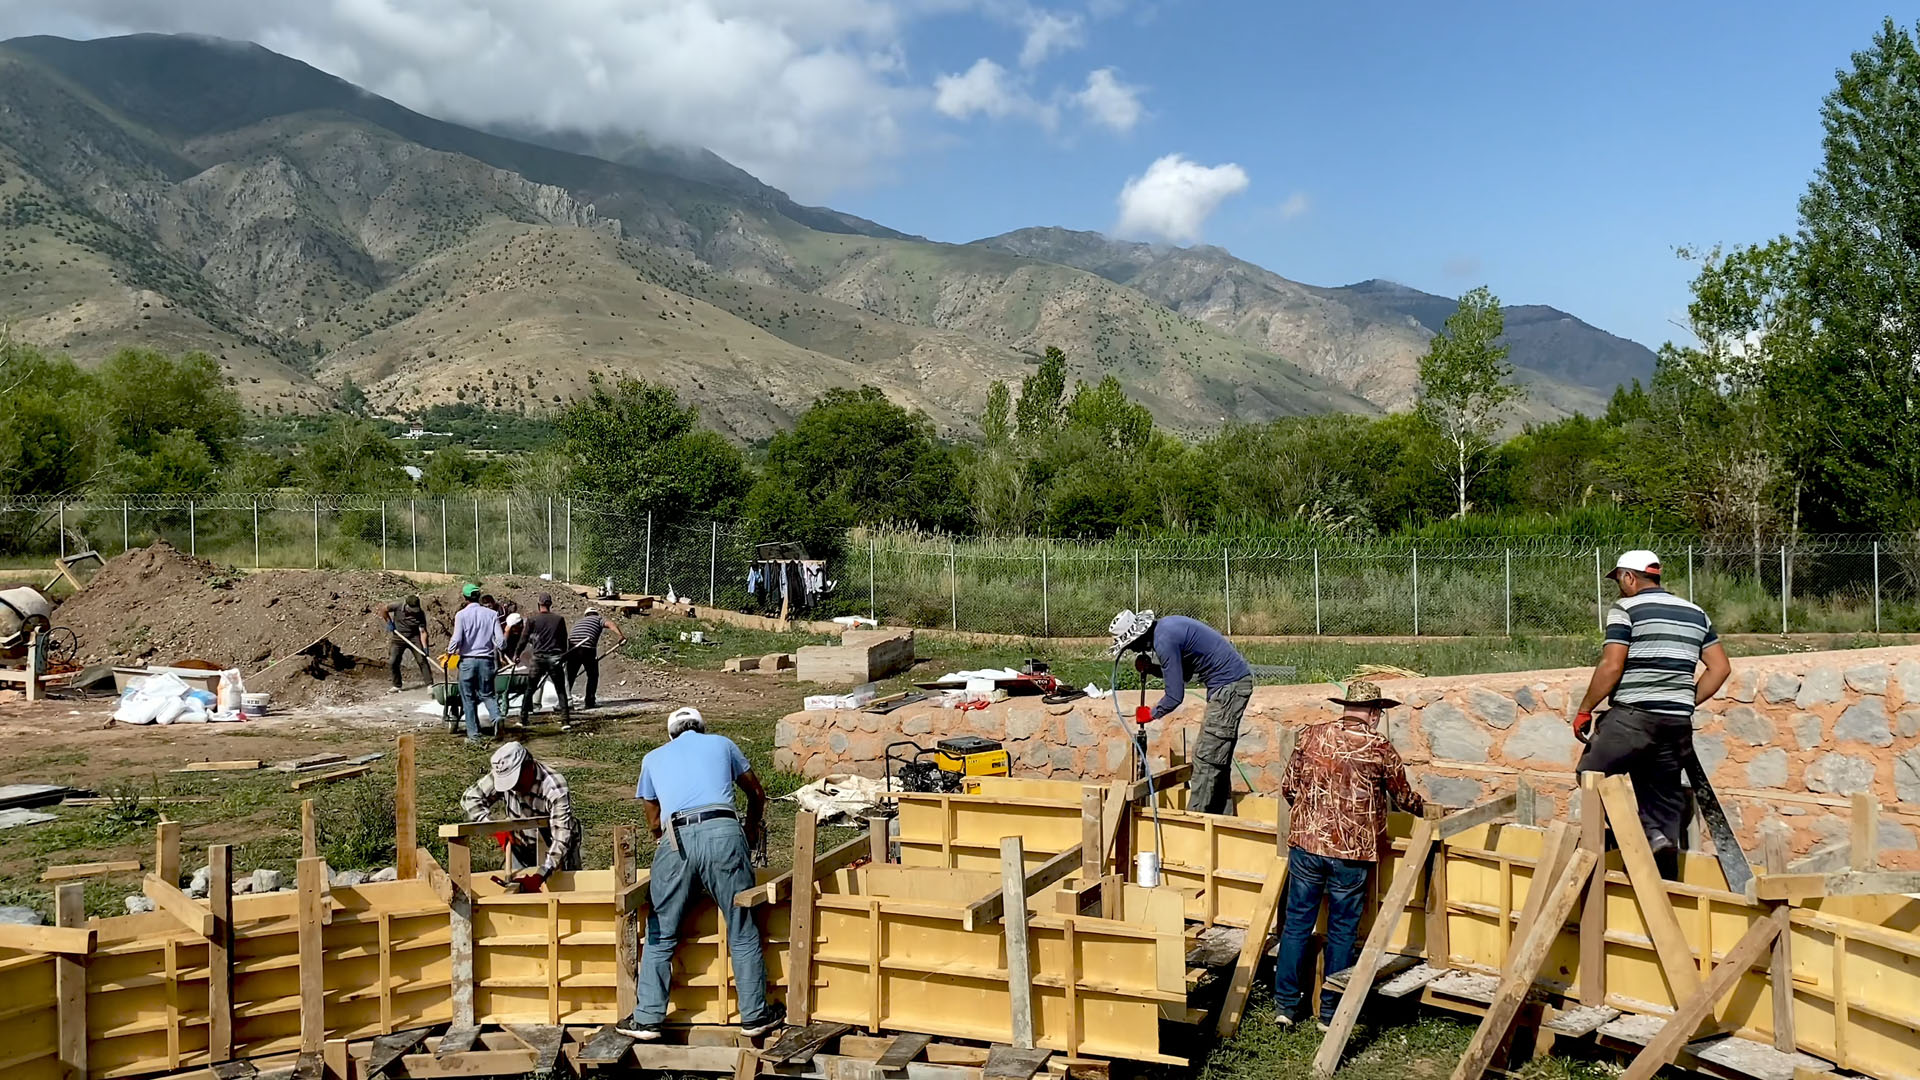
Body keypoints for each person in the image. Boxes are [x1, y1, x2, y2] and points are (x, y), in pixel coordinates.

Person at [620, 707, 783, 1041]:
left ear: (671, 735)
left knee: (661, 932)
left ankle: (647, 1018)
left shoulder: (653, 758)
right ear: (702, 728)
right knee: (741, 926)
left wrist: (664, 843)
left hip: (676, 839)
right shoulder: (723, 744)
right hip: (723, 832)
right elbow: (756, 792)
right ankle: (754, 1016)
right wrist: (750, 829)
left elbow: (653, 817)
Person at [1274, 680, 1423, 1028]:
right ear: (1374, 713)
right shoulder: (1379, 747)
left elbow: (1288, 788)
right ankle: (1330, 1013)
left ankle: (1285, 1007)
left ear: (1346, 708)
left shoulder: (1310, 735)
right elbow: (1403, 798)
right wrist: (1428, 811)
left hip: (1307, 846)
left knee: (1296, 925)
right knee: (1342, 932)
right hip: (1352, 853)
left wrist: (1312, 818)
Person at [1574, 550, 1731, 880]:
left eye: (1619, 580)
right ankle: (1664, 872)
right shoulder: (1696, 613)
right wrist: (1683, 701)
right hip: (1676, 724)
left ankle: (1640, 837)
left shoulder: (1626, 609)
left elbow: (1612, 665)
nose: (1619, 587)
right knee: (1661, 801)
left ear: (1629, 577)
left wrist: (1585, 709)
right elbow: (1720, 668)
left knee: (1591, 774)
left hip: (1633, 717)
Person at [1107, 609, 1254, 815]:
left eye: (1130, 646)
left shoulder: (1164, 641)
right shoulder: (1167, 628)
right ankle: (1222, 818)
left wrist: (1151, 713)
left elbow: (1175, 696)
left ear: (1138, 638)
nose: (1132, 650)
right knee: (1217, 758)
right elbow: (1185, 674)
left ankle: (1195, 820)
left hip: (1229, 687)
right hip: (1231, 685)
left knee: (1205, 757)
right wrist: (1152, 669)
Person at [459, 742, 580, 889]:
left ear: (528, 766)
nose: (513, 788)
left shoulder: (554, 787)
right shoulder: (502, 772)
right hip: (520, 844)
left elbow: (561, 837)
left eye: (516, 782)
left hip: (554, 846)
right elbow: (470, 798)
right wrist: (493, 828)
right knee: (519, 892)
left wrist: (541, 875)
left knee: (563, 892)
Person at [447, 587, 504, 743]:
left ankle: (474, 735)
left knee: (468, 698)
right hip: (486, 661)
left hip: (468, 661)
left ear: (465, 598)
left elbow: (457, 638)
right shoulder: (492, 614)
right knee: (488, 694)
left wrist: (450, 652)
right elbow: (500, 640)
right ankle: (496, 717)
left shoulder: (461, 615)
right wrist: (501, 649)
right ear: (479, 597)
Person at [522, 594, 571, 724]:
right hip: (554, 658)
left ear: (539, 604)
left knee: (530, 688)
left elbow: (524, 638)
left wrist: (516, 654)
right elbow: (563, 640)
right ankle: (565, 721)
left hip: (538, 658)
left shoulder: (532, 620)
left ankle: (523, 719)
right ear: (550, 604)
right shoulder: (559, 619)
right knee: (560, 690)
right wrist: (563, 655)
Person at [565, 607, 627, 710]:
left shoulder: (579, 622)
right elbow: (610, 624)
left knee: (570, 676)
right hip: (587, 649)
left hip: (573, 649)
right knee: (592, 675)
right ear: (596, 614)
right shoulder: (598, 619)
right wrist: (620, 635)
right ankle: (590, 701)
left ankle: (564, 702)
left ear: (586, 615)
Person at [380, 595, 432, 692]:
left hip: (414, 637)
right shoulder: (397, 606)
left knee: (422, 659)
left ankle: (430, 684)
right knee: (393, 661)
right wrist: (389, 622)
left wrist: (425, 648)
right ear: (406, 605)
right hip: (398, 637)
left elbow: (423, 632)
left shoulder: (420, 614)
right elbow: (384, 609)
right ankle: (397, 685)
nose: (414, 612)